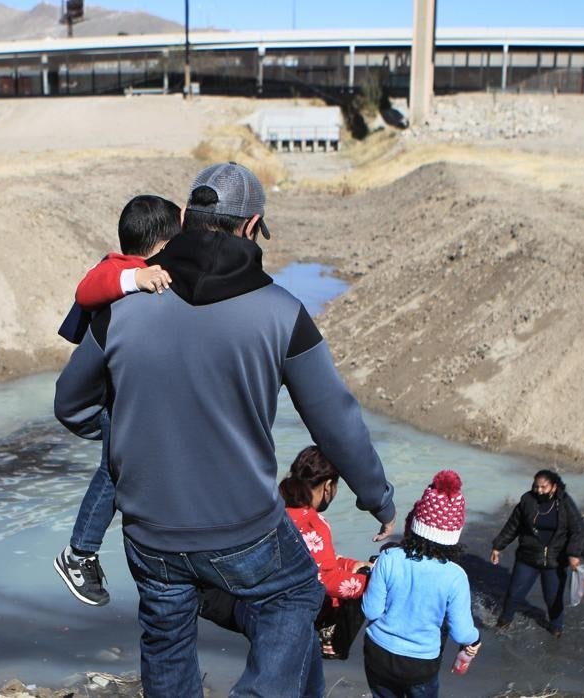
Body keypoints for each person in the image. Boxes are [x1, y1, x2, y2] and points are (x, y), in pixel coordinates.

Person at [55, 162, 396, 697]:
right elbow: (335, 420)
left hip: (150, 532)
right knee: (297, 595)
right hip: (244, 528)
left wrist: (136, 436)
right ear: (252, 225)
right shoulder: (283, 312)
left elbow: (70, 406)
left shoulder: (124, 303)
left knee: (166, 642)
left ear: (187, 217)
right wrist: (377, 496)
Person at [53, 194, 180, 607]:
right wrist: (135, 280)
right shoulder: (121, 271)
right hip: (117, 400)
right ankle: (79, 553)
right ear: (162, 244)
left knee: (126, 470)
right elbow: (87, 288)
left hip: (132, 398)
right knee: (113, 472)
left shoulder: (153, 270)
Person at [197, 446, 373, 661]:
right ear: (328, 486)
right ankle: (330, 641)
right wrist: (371, 583)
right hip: (285, 614)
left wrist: (350, 565)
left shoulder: (277, 508)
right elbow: (325, 579)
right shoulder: (313, 523)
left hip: (250, 600)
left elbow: (312, 559)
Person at [362, 471, 480, 698]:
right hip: (420, 664)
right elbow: (461, 632)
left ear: (416, 523)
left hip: (378, 653)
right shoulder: (455, 576)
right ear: (454, 534)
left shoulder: (389, 558)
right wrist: (475, 639)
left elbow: (371, 610)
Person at [490, 470, 584, 637]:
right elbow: (513, 525)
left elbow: (578, 529)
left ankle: (556, 629)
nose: (539, 490)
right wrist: (498, 547)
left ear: (554, 486)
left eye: (543, 487)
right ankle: (503, 622)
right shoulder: (527, 500)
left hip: (555, 561)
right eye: (536, 486)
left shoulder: (564, 503)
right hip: (527, 557)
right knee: (514, 594)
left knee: (553, 600)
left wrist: (573, 554)